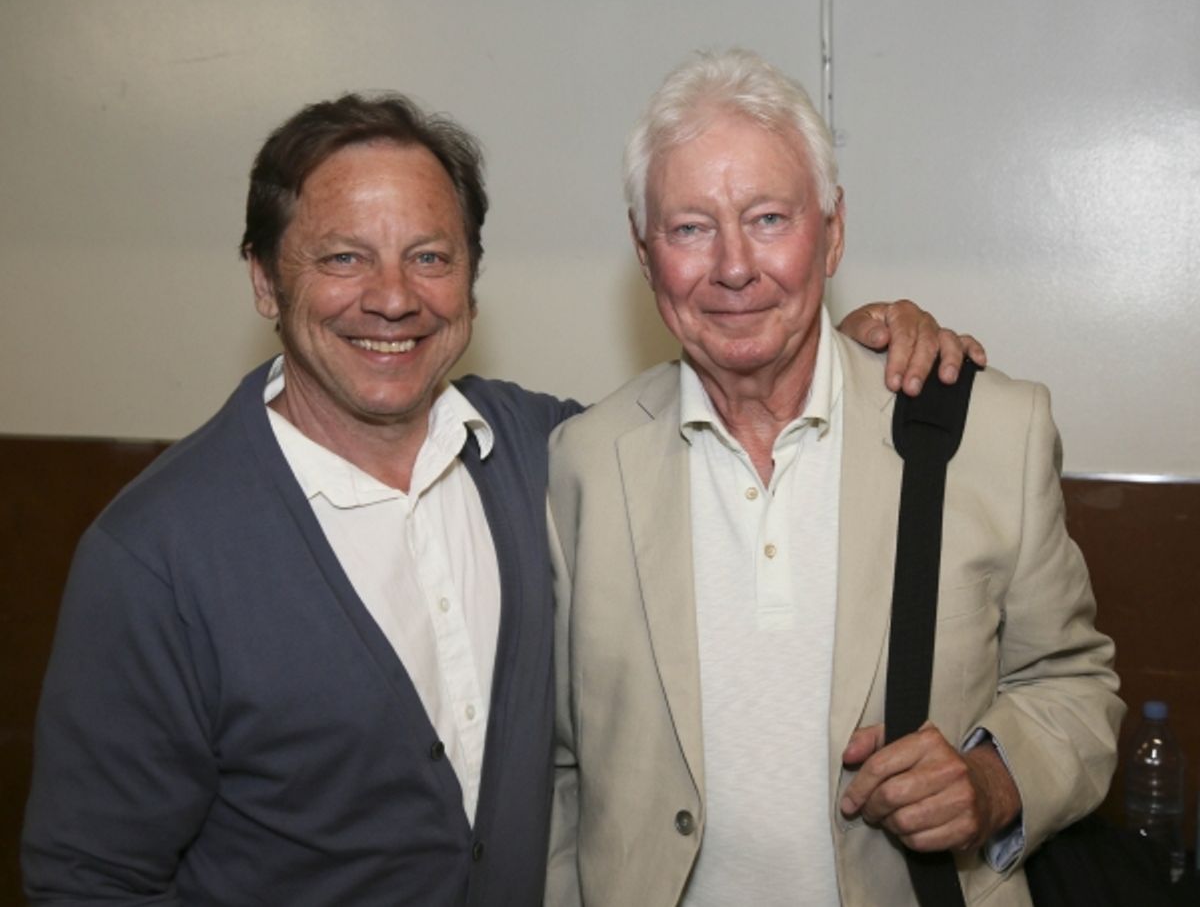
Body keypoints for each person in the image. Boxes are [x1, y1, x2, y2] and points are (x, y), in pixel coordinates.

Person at [22, 92, 976, 906]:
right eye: (344, 258)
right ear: (265, 279)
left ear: (473, 277)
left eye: (431, 257)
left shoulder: (549, 455)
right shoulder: (156, 556)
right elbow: (89, 878)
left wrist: (847, 348)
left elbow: (733, 402)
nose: (393, 299)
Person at [545, 49, 1123, 907]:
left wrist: (992, 782)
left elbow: (1074, 686)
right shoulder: (583, 462)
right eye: (690, 227)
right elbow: (560, 773)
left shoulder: (987, 433)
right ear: (644, 252)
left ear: (834, 230)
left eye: (770, 217)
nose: (734, 266)